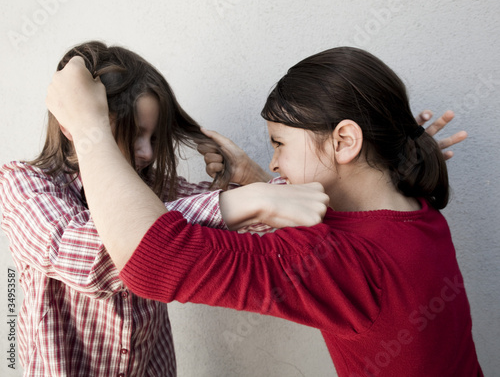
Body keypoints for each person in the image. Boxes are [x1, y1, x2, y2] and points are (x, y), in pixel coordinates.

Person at [45, 46, 482, 376]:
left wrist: (89, 128)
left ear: (345, 141)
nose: (272, 164)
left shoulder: (342, 262)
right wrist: (251, 179)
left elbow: (152, 261)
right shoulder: (417, 209)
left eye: (279, 144)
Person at [0, 41, 326, 377]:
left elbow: (287, 225)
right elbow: (88, 259)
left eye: (155, 139)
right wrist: (234, 202)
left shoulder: (156, 189)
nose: (147, 153)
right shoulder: (23, 184)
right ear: (73, 127)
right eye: (134, 134)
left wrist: (250, 178)